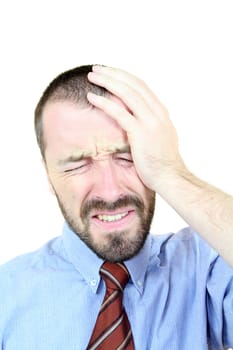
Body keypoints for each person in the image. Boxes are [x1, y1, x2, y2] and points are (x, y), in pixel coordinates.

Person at [0, 64, 232, 350]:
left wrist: (171, 173)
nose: (110, 191)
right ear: (48, 175)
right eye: (77, 164)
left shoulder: (207, 267)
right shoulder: (6, 294)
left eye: (128, 157)